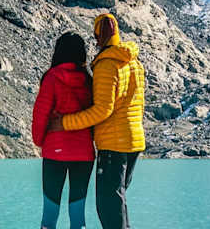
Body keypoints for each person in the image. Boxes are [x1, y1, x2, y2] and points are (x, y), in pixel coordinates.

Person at [48, 13, 145, 229]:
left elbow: (102, 110)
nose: (96, 40)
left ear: (99, 36)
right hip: (135, 142)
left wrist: (63, 123)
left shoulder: (106, 64)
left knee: (108, 206)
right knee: (118, 201)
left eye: (96, 36)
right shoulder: (134, 62)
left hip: (114, 144)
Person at [32, 32, 96, 229]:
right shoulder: (88, 80)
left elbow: (41, 113)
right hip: (84, 153)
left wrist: (39, 140)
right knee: (78, 213)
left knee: (50, 212)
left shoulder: (51, 77)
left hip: (55, 152)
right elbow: (95, 115)